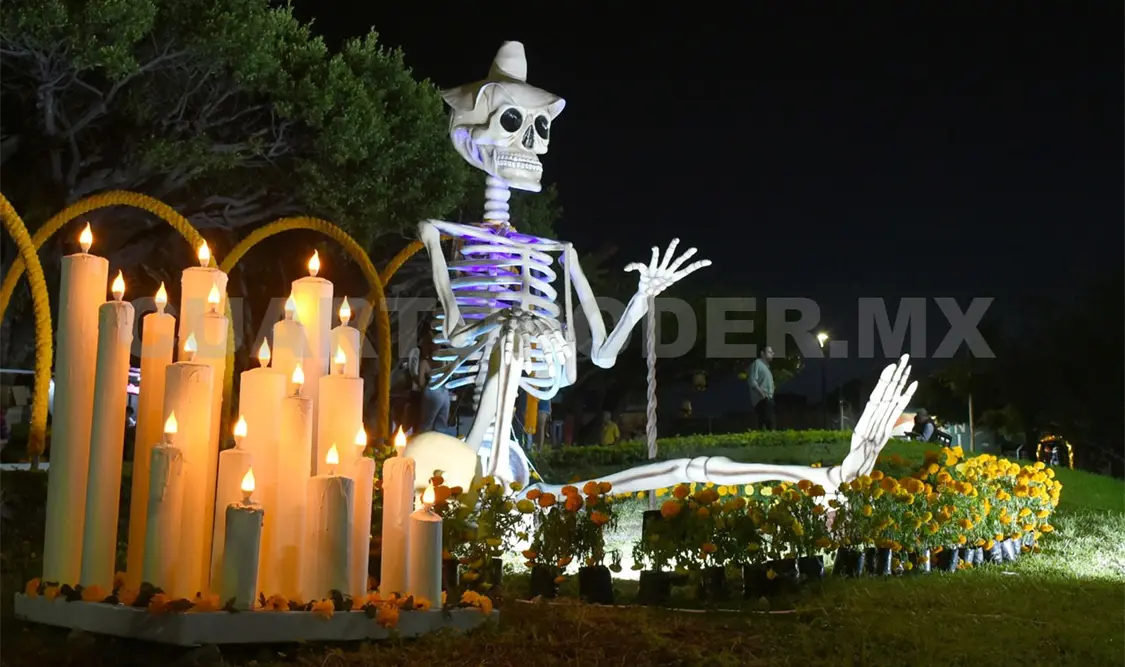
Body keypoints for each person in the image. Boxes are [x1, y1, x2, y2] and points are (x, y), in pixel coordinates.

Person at [415, 318, 451, 434]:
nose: (435, 346)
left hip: (443, 391)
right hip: (434, 390)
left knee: (440, 423)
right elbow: (421, 382)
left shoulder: (444, 359)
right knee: (428, 423)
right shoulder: (425, 362)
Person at [748, 346, 775, 430]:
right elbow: (752, 381)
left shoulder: (767, 368)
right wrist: (761, 393)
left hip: (768, 399)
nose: (772, 354)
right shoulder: (757, 364)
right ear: (762, 353)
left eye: (772, 352)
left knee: (764, 425)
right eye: (769, 352)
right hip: (762, 399)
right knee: (770, 424)